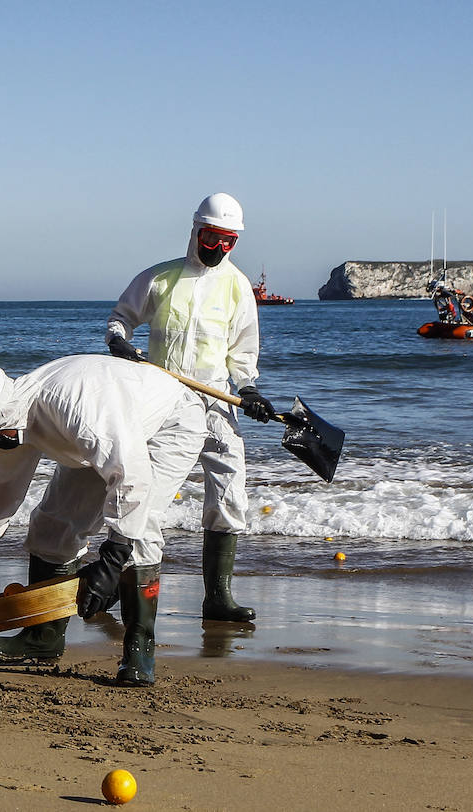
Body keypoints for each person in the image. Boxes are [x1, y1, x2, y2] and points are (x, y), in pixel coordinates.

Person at [0, 356, 206, 686]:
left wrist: (111, 561)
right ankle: (43, 635)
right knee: (53, 525)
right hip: (109, 434)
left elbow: (131, 481)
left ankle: (139, 649)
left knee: (141, 528)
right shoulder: (8, 421)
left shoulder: (75, 411)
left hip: (169, 421)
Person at [104, 192, 273, 624]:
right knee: (141, 491)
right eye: (212, 238)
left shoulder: (237, 288)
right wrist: (118, 340)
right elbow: (121, 317)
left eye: (228, 242)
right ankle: (114, 579)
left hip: (215, 397)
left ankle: (218, 597)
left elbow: (242, 352)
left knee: (231, 487)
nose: (219, 249)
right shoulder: (160, 279)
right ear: (196, 231)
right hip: (160, 396)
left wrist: (249, 389)